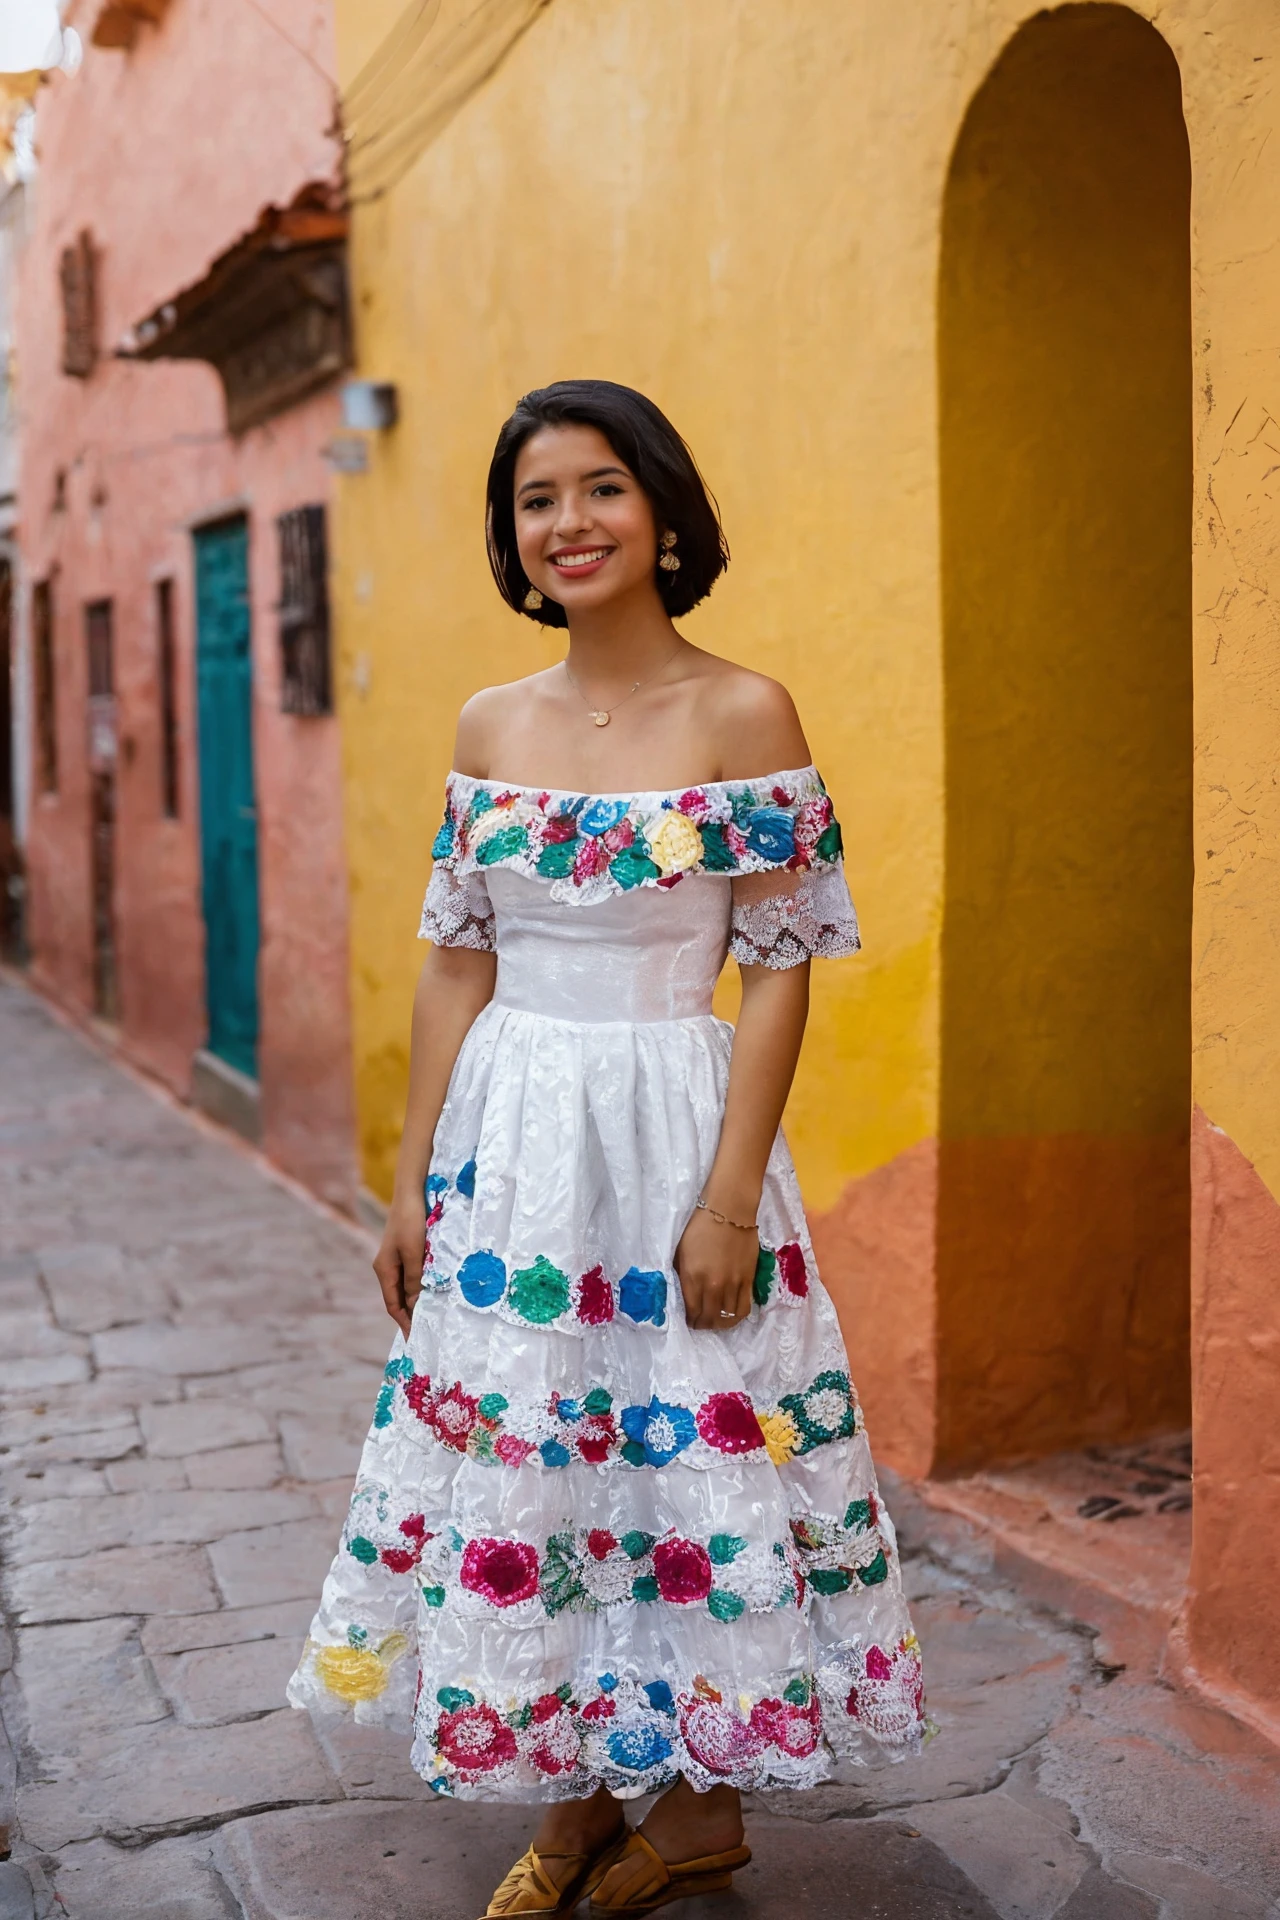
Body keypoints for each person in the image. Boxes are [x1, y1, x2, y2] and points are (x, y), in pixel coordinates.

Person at [289, 381, 926, 1917]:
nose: (566, 523)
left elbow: (780, 963)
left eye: (599, 490)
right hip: (515, 1151)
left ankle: (702, 1807)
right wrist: (410, 1179)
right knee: (533, 1460)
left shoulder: (742, 712)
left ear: (662, 510)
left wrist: (725, 1199)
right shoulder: (488, 723)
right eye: (534, 500)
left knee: (685, 1452)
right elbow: (458, 961)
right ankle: (568, 1809)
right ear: (510, 536)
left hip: (674, 1136)